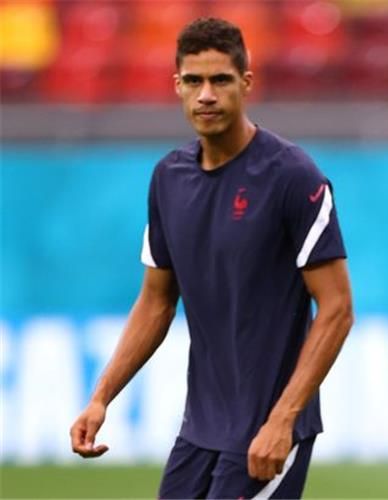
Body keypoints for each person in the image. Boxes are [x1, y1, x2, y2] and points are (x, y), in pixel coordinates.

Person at [69, 17, 354, 499]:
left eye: (220, 80)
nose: (206, 95)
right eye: (194, 81)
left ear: (246, 83)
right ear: (177, 86)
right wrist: (101, 398)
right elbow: (156, 302)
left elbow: (337, 308)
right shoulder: (168, 178)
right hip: (201, 428)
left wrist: (283, 420)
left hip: (268, 429)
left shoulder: (292, 175)